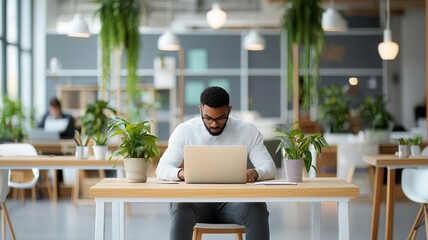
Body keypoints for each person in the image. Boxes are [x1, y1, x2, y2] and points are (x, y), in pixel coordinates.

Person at [156, 86, 277, 240]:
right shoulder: (184, 131)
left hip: (236, 203)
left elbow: (269, 167)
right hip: (197, 202)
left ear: (229, 110)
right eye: (208, 118)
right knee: (180, 206)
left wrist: (254, 173)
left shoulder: (248, 130)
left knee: (256, 208)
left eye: (220, 118)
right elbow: (162, 169)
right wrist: (181, 173)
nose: (214, 124)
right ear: (200, 110)